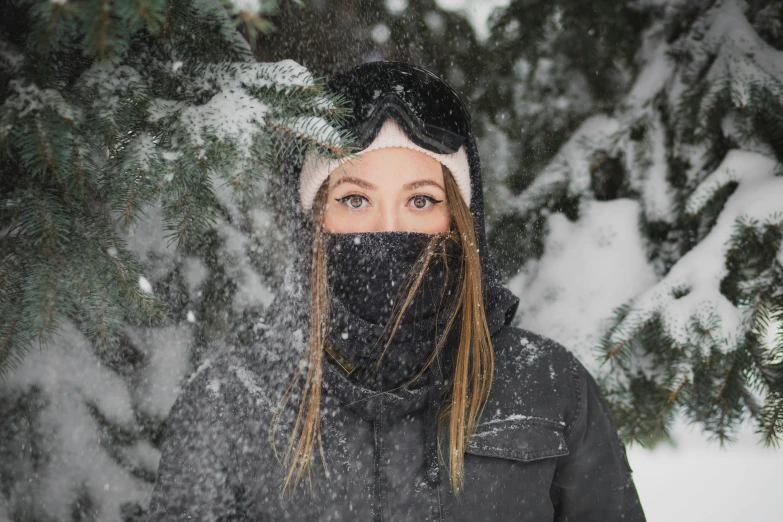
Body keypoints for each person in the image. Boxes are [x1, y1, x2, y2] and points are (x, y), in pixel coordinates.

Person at [147, 61, 646, 521]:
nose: (388, 229)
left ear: (460, 221)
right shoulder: (233, 399)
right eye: (355, 199)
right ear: (313, 219)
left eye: (422, 200)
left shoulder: (549, 387)